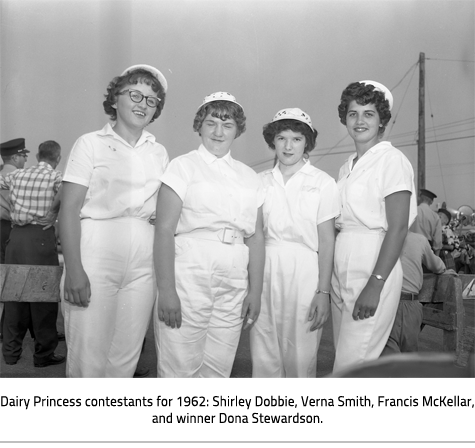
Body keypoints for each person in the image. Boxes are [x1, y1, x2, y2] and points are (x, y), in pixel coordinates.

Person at [59, 64, 169, 378]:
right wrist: (75, 270)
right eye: (135, 94)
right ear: (115, 99)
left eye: (151, 100)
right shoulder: (89, 143)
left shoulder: (159, 152)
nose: (142, 104)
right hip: (96, 249)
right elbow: (68, 210)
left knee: (125, 356)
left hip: (142, 259)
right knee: (88, 353)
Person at [153, 91, 264, 378]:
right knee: (180, 365)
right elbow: (164, 229)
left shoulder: (249, 176)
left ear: (237, 130)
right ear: (199, 125)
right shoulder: (182, 166)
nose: (218, 131)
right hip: (191, 267)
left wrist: (256, 290)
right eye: (211, 122)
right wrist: (166, 291)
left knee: (219, 367)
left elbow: (256, 236)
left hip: (235, 271)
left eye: (227, 125)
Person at [331, 80, 417, 373]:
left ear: (382, 120)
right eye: (353, 113)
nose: (359, 121)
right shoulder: (347, 166)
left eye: (369, 113)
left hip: (374, 260)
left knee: (352, 366)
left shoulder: (392, 161)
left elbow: (398, 228)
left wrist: (375, 283)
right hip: (341, 263)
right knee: (345, 358)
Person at [249, 108, 340, 378]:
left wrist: (323, 292)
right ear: (272, 141)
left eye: (297, 139)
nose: (288, 146)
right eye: (281, 138)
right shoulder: (259, 181)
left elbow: (327, 240)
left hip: (305, 270)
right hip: (265, 266)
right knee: (263, 353)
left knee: (301, 355)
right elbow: (255, 235)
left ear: (307, 143)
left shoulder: (323, 182)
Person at [0, 140, 64, 367]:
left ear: (37, 156)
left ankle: (10, 354)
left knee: (13, 298)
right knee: (43, 301)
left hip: (16, 239)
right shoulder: (55, 177)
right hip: (41, 239)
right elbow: (68, 186)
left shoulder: (17, 175)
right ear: (57, 158)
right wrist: (55, 209)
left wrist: (8, 208)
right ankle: (43, 355)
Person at [381, 231, 447, 356]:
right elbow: (437, 266)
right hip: (409, 303)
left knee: (385, 351)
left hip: (383, 302)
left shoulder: (378, 236)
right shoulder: (419, 240)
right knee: (408, 353)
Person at [0, 138, 30, 342]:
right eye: (24, 156)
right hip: (11, 229)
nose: (25, 160)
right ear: (16, 156)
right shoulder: (18, 177)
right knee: (13, 280)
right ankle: (9, 329)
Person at [411, 189, 442, 256]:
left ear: (419, 198)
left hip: (411, 245)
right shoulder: (435, 216)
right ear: (431, 202)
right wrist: (436, 258)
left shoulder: (411, 211)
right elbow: (438, 240)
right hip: (426, 248)